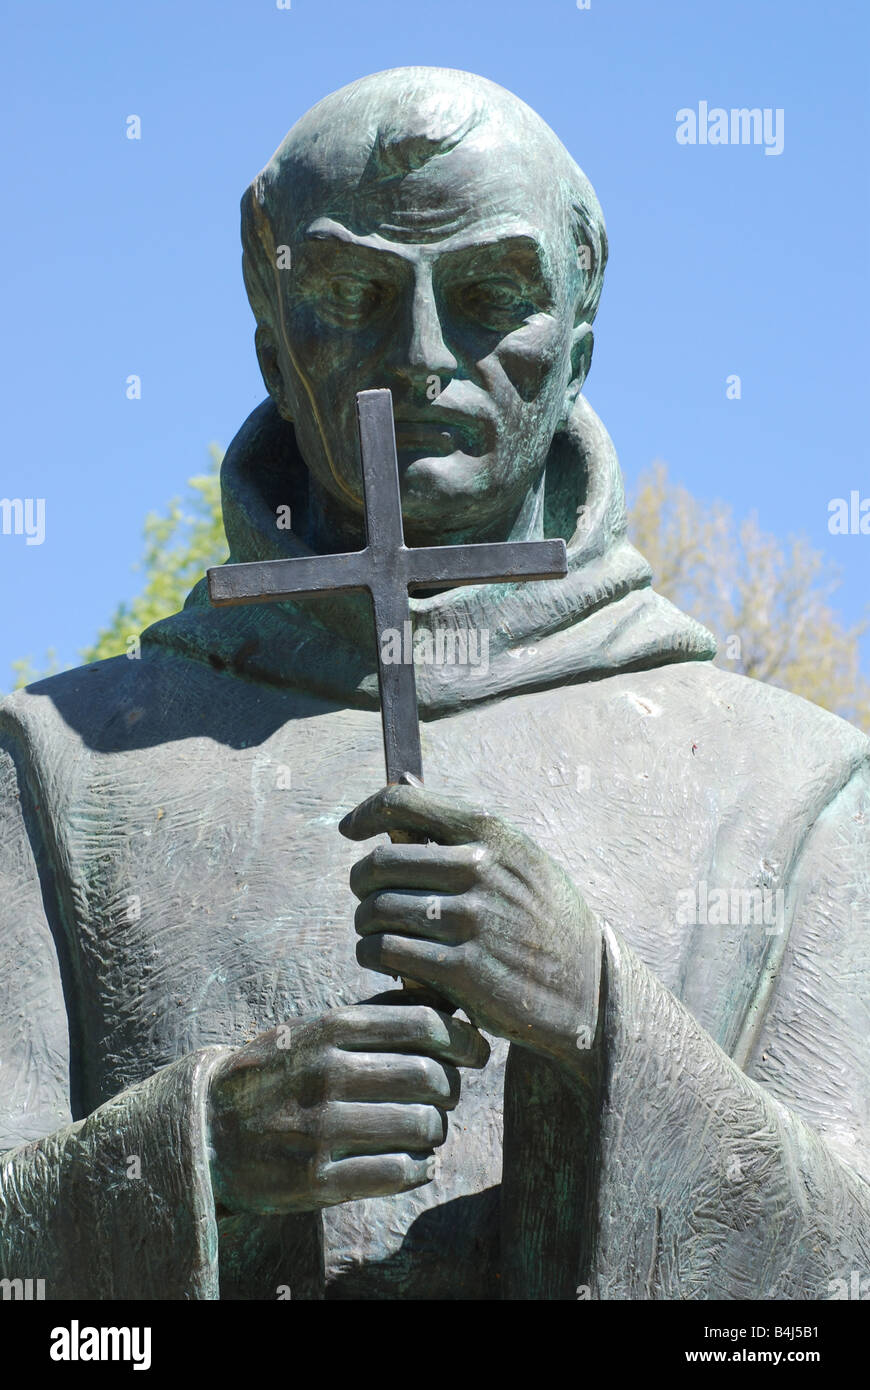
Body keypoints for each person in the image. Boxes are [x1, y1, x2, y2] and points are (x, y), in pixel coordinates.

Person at [1, 67, 867, 1300]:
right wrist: (199, 1156)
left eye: (488, 295)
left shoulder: (793, 791)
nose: (419, 361)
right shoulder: (60, 766)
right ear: (268, 331)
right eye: (354, 294)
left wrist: (599, 1018)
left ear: (579, 335)